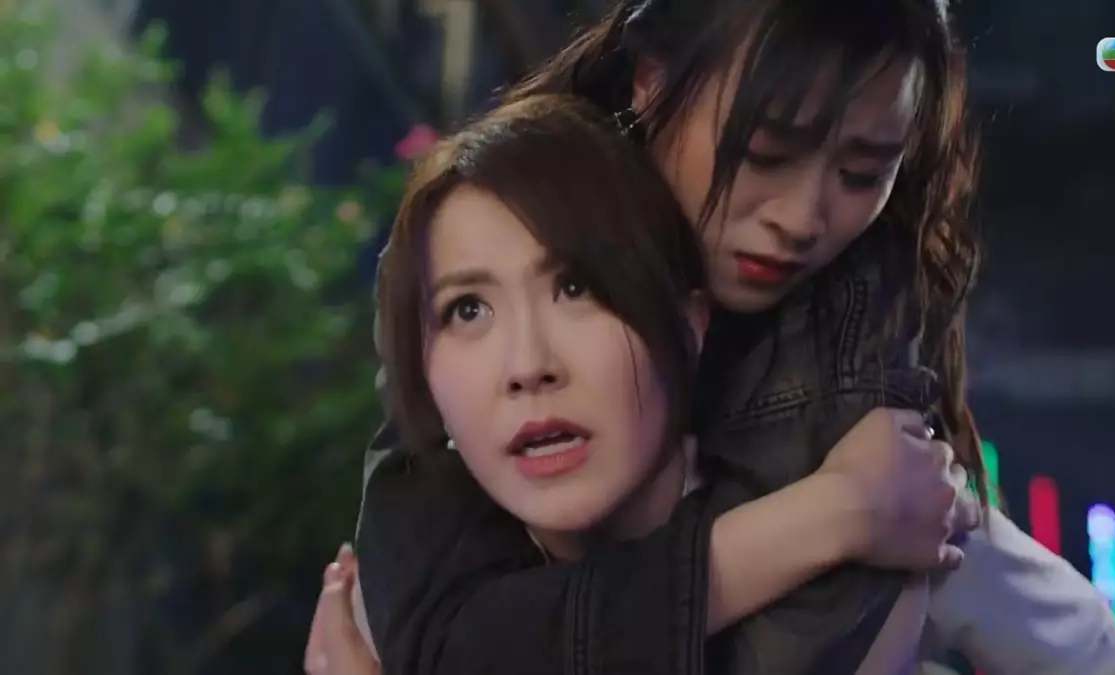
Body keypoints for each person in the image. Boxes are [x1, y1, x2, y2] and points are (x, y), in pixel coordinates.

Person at [343, 0, 1115, 672]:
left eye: (862, 173)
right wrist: (833, 514)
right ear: (650, 84)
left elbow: (1079, 642)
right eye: (765, 153)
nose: (802, 218)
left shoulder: (855, 399)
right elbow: (448, 639)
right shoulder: (481, 237)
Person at [306, 93, 968, 675]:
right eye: (468, 309)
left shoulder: (909, 509)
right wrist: (839, 512)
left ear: (689, 323)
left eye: (577, 288)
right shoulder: (396, 604)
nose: (528, 365)